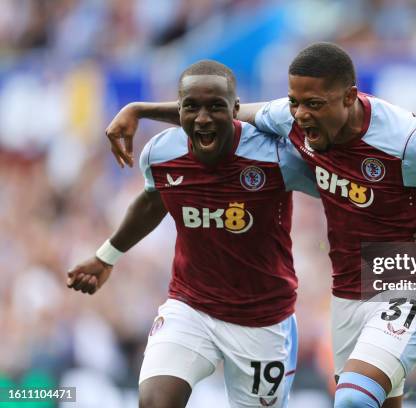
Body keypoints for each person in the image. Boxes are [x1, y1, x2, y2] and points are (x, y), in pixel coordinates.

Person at [105, 43, 416, 408]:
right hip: (348, 289)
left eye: (314, 104)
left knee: (353, 401)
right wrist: (140, 110)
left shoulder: (413, 143)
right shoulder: (292, 118)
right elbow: (223, 110)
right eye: (295, 102)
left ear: (350, 97)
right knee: (377, 402)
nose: (300, 115)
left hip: (412, 276)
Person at [67, 60, 321, 408]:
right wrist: (106, 256)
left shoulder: (275, 156)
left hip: (263, 321)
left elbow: (335, 189)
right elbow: (152, 203)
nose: (202, 118)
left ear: (235, 109)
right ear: (180, 109)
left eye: (216, 106)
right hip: (191, 309)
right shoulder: (161, 153)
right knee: (155, 402)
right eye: (191, 107)